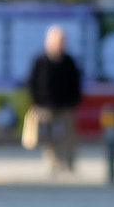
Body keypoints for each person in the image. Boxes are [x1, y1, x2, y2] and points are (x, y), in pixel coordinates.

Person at [27, 24, 83, 174]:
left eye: (62, 41)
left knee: (68, 135)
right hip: (45, 106)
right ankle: (53, 163)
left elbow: (76, 83)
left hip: (65, 105)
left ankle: (69, 163)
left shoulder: (69, 61)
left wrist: (74, 101)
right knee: (47, 136)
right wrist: (36, 102)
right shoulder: (41, 61)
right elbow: (33, 83)